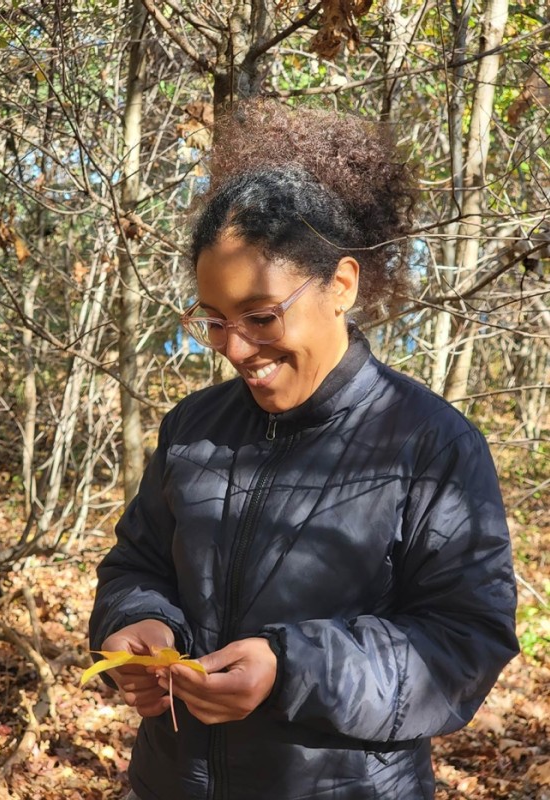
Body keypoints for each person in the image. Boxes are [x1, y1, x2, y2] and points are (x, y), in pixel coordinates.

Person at [89, 101, 519, 800]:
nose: (234, 348)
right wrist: (136, 621)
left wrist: (290, 669)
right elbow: (137, 561)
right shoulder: (193, 427)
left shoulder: (431, 445)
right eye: (214, 321)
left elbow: (464, 644)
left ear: (341, 285)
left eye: (260, 317)